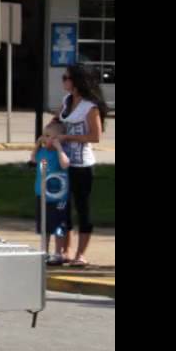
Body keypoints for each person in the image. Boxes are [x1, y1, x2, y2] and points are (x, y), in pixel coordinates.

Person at [53, 64, 109, 268]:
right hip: (61, 163)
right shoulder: (67, 101)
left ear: (76, 81)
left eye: (66, 77)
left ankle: (80, 254)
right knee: (61, 208)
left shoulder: (89, 106)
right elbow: (57, 120)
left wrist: (68, 136)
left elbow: (96, 136)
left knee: (82, 208)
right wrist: (48, 134)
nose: (63, 81)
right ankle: (63, 252)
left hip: (81, 165)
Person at [33, 121, 71, 266]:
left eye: (48, 136)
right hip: (43, 196)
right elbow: (32, 159)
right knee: (44, 225)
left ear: (57, 138)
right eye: (43, 135)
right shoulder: (42, 152)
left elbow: (65, 164)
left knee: (58, 225)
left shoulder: (61, 152)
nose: (44, 138)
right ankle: (45, 251)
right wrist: (37, 145)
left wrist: (59, 147)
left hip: (58, 197)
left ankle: (58, 253)